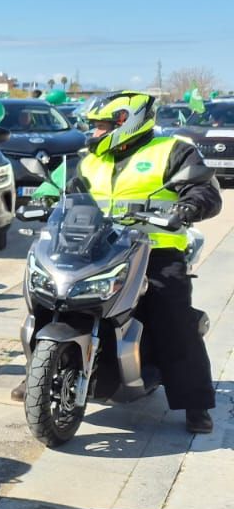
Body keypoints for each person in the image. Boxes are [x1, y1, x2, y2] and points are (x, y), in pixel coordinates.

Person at [13, 92, 220, 433]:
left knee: (173, 318)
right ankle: (37, 373)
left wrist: (186, 208)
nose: (94, 133)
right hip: (98, 245)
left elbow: (204, 191)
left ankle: (195, 403)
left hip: (156, 249)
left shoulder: (171, 151)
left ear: (126, 123)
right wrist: (43, 200)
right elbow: (64, 190)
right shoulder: (93, 159)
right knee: (49, 301)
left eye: (100, 127)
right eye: (93, 127)